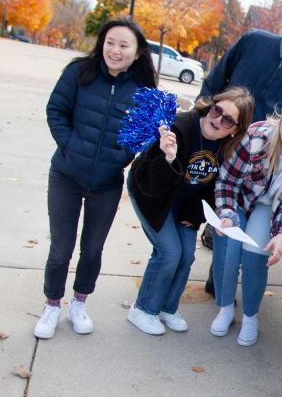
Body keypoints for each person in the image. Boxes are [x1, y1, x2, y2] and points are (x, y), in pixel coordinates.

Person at [34, 19, 157, 339]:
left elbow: (141, 139)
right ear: (102, 43)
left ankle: (79, 303)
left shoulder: (143, 91)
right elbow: (55, 110)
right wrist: (71, 145)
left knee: (92, 250)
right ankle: (51, 305)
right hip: (66, 175)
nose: (115, 50)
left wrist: (120, 158)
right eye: (110, 42)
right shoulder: (79, 72)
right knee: (61, 249)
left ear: (138, 51)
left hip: (106, 183)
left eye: (124, 45)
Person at [199, 0, 282, 295]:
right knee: (209, 195)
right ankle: (207, 243)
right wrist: (205, 103)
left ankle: (218, 276)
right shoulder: (254, 41)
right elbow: (220, 73)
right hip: (223, 132)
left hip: (258, 152)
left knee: (238, 209)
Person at [126, 88, 254, 335]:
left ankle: (167, 308)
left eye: (227, 120)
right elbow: (152, 183)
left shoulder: (225, 147)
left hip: (182, 201)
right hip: (150, 193)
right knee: (169, 253)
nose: (217, 120)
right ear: (211, 105)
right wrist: (169, 159)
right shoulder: (180, 128)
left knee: (187, 256)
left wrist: (196, 216)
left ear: (235, 129)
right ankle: (143, 309)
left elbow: (209, 186)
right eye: (217, 110)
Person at [211, 95, 282, 346]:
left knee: (255, 255)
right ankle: (226, 307)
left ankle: (251, 315)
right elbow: (227, 181)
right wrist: (227, 213)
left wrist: (281, 235)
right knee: (229, 252)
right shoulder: (257, 136)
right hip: (239, 199)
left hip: (269, 209)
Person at [199, 0, 282, 121]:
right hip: (221, 125)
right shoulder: (253, 41)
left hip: (258, 142)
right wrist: (202, 113)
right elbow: (215, 79)